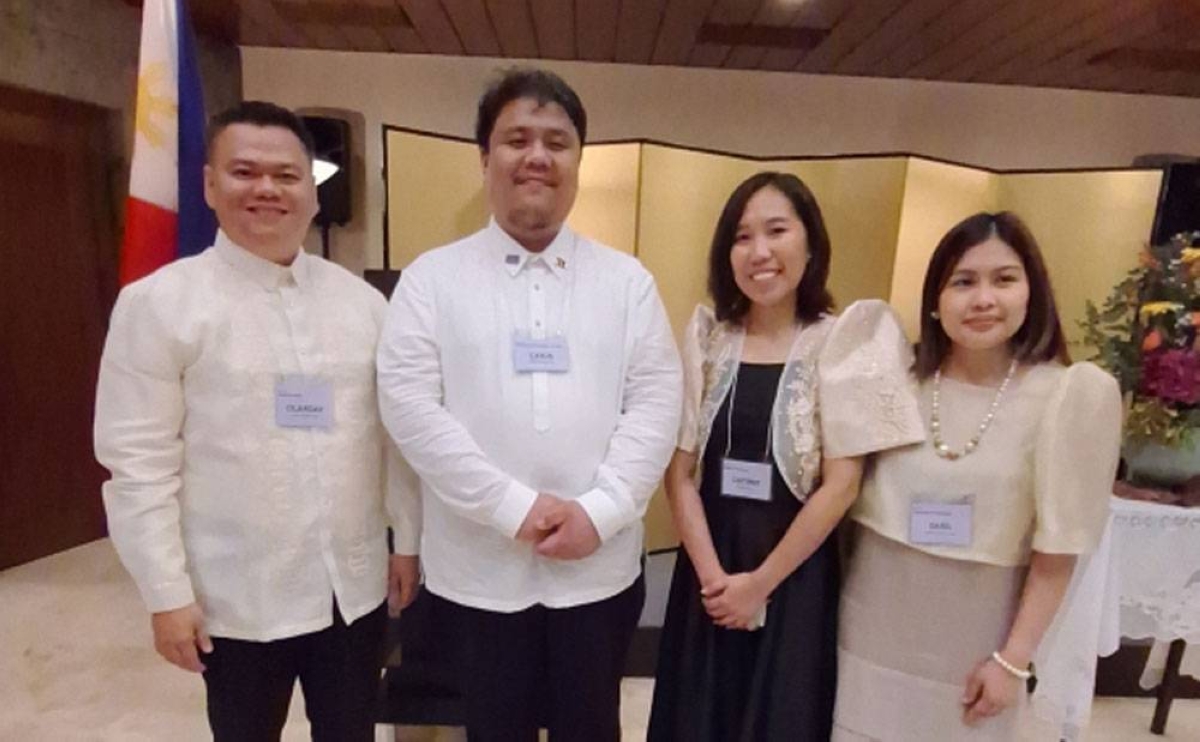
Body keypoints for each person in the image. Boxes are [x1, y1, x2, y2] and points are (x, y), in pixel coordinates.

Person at [94, 101, 420, 741]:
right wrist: (167, 593)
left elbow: (391, 436)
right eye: (245, 172)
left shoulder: (361, 305)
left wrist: (404, 538)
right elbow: (138, 463)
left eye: (287, 175)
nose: (267, 189)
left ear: (313, 191)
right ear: (211, 185)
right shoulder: (159, 306)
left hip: (350, 590)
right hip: (237, 600)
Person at [376, 68, 682, 741]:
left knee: (591, 727)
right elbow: (410, 410)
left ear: (578, 160)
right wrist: (514, 508)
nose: (537, 156)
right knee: (493, 729)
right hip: (480, 570)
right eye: (517, 139)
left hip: (597, 567)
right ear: (485, 158)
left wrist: (598, 512)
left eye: (557, 141)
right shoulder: (432, 279)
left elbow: (657, 404)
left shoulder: (627, 282)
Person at [647, 171, 925, 741]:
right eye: (742, 237)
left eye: (777, 230)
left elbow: (841, 485)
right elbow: (679, 475)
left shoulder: (842, 341)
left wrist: (759, 584)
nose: (760, 252)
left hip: (794, 576)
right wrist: (716, 581)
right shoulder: (708, 337)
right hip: (710, 570)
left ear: (810, 243)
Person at [832, 212, 1122, 741]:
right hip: (871, 623)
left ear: (1031, 292)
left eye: (1004, 279)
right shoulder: (896, 380)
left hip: (975, 637)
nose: (983, 299)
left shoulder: (1066, 396)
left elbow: (1057, 557)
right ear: (936, 302)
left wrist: (1012, 663)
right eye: (963, 282)